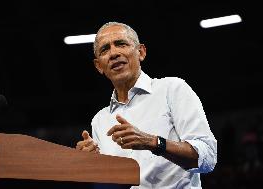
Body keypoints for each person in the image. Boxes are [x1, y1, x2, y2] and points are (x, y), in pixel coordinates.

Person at [76, 22, 217, 189]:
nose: (113, 53)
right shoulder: (99, 120)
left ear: (141, 52)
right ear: (99, 66)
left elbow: (208, 158)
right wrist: (91, 165)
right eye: (105, 49)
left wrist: (153, 142)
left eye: (121, 44)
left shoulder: (172, 89)